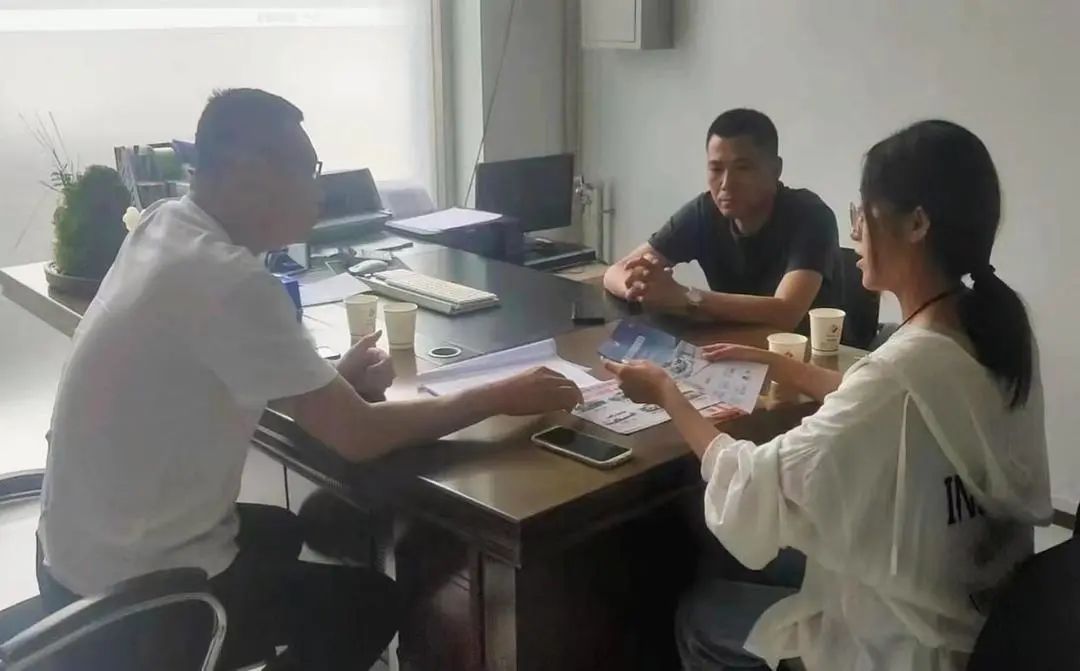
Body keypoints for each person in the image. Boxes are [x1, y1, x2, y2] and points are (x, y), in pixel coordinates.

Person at [35, 88, 584, 670]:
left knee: (281, 531)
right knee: (367, 606)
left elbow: (218, 370)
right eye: (306, 170)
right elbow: (358, 436)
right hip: (133, 606)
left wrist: (328, 381)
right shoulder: (226, 278)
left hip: (72, 559)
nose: (318, 190)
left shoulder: (165, 224)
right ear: (248, 175)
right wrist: (500, 394)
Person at [605, 120, 1051, 670]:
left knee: (700, 611)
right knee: (722, 554)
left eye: (863, 213)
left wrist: (668, 394)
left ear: (916, 224)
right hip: (983, 612)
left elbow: (751, 484)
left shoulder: (897, 373)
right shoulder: (993, 331)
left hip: (903, 642)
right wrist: (778, 365)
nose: (855, 231)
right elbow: (904, 400)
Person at [603, 109, 840, 331]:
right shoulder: (704, 211)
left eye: (743, 168)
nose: (726, 184)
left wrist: (686, 297)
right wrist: (641, 287)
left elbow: (787, 312)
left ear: (775, 169)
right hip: (733, 341)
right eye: (716, 169)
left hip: (811, 350)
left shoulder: (810, 215)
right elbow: (614, 273)